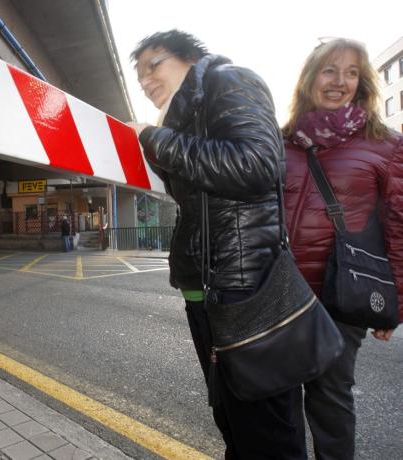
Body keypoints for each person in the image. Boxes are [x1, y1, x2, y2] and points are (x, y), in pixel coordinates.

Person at [128, 30, 306, 458]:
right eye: (139, 78)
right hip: (205, 290)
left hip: (246, 288)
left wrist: (154, 139)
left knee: (268, 427)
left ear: (190, 56)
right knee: (232, 418)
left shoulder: (230, 81)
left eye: (155, 65)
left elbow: (258, 164)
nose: (147, 81)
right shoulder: (184, 120)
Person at [282, 38, 403, 460]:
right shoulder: (282, 142)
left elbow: (398, 226)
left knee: (330, 403)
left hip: (341, 292)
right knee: (278, 406)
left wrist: (396, 303)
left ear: (362, 81)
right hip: (281, 293)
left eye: (351, 72)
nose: (340, 82)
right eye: (330, 70)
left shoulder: (386, 144)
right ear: (310, 78)